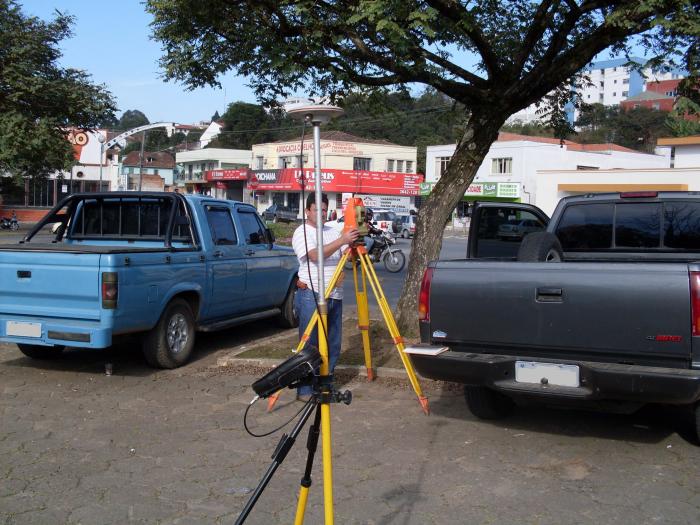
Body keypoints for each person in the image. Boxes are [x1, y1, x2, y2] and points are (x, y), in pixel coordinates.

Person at [292, 193, 360, 401]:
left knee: (332, 343)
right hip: (311, 293)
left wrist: (353, 246)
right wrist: (343, 239)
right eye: (316, 210)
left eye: (324, 210)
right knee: (310, 343)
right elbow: (314, 256)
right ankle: (304, 390)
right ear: (308, 211)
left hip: (334, 294)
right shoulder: (302, 232)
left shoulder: (332, 231)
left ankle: (325, 385)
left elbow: (343, 256)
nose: (321, 214)